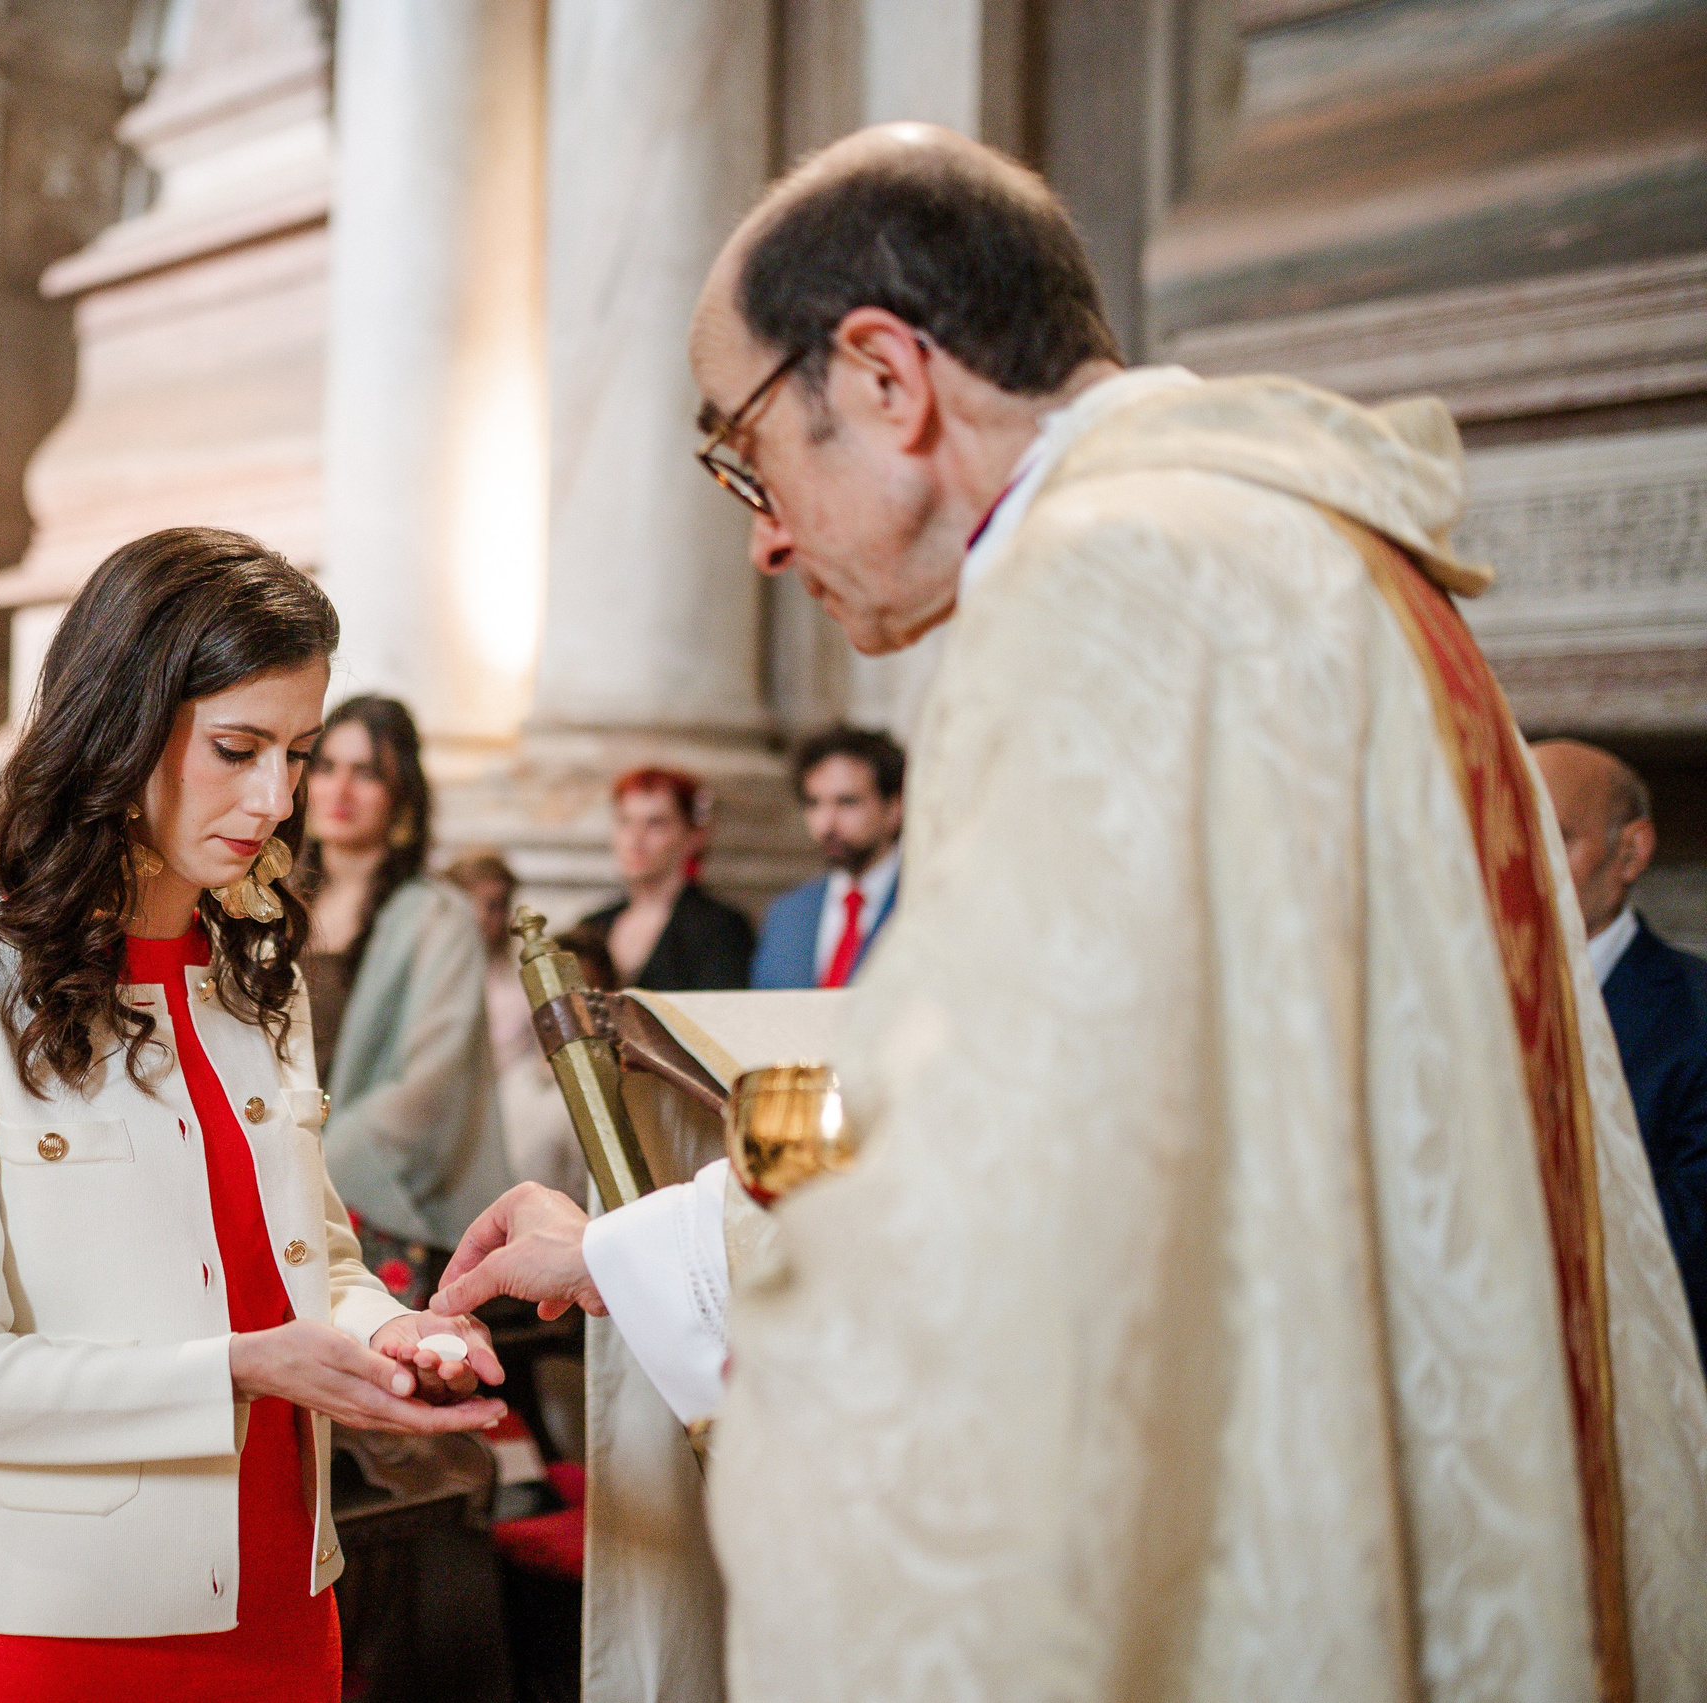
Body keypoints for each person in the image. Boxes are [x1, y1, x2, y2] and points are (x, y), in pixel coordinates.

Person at [435, 123, 1707, 1697]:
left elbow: (991, 1243)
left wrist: (642, 1260)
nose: (761, 532)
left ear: (886, 375)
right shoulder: (1301, 552)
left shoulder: (1114, 595)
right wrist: (638, 1248)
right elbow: (1138, 1136)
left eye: (744, 451)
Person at [0, 528, 507, 1703]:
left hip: (283, 1599)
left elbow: (313, 1263)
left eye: (298, 753)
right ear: (120, 726)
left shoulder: (258, 979)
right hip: (54, 1626)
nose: (274, 798)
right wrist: (240, 1367)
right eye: (236, 747)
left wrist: (389, 1336)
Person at [296, 696, 512, 1305]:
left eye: (366, 773)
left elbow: (430, 1089)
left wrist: (314, 1161)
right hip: (266, 1170)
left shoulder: (439, 917)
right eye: (326, 765)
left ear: (402, 797)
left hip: (371, 1196)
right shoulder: (266, 904)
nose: (340, 789)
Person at [1536, 739, 1707, 1363]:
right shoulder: (1441, 1007)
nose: (1520, 866)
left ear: (1629, 851)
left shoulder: (1696, 1014)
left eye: (1554, 837)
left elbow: (1688, 1243)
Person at [446, 850, 588, 1202]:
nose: (481, 916)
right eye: (470, 903)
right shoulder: (429, 974)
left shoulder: (522, 981)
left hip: (513, 1112)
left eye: (494, 905)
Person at [749, 725, 903, 989]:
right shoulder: (788, 914)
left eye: (847, 802)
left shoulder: (923, 903)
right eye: (813, 803)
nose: (826, 824)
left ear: (894, 808)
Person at [577, 768, 754, 991]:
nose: (635, 839)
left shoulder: (720, 928)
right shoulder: (593, 925)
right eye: (625, 821)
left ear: (694, 836)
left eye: (655, 823)